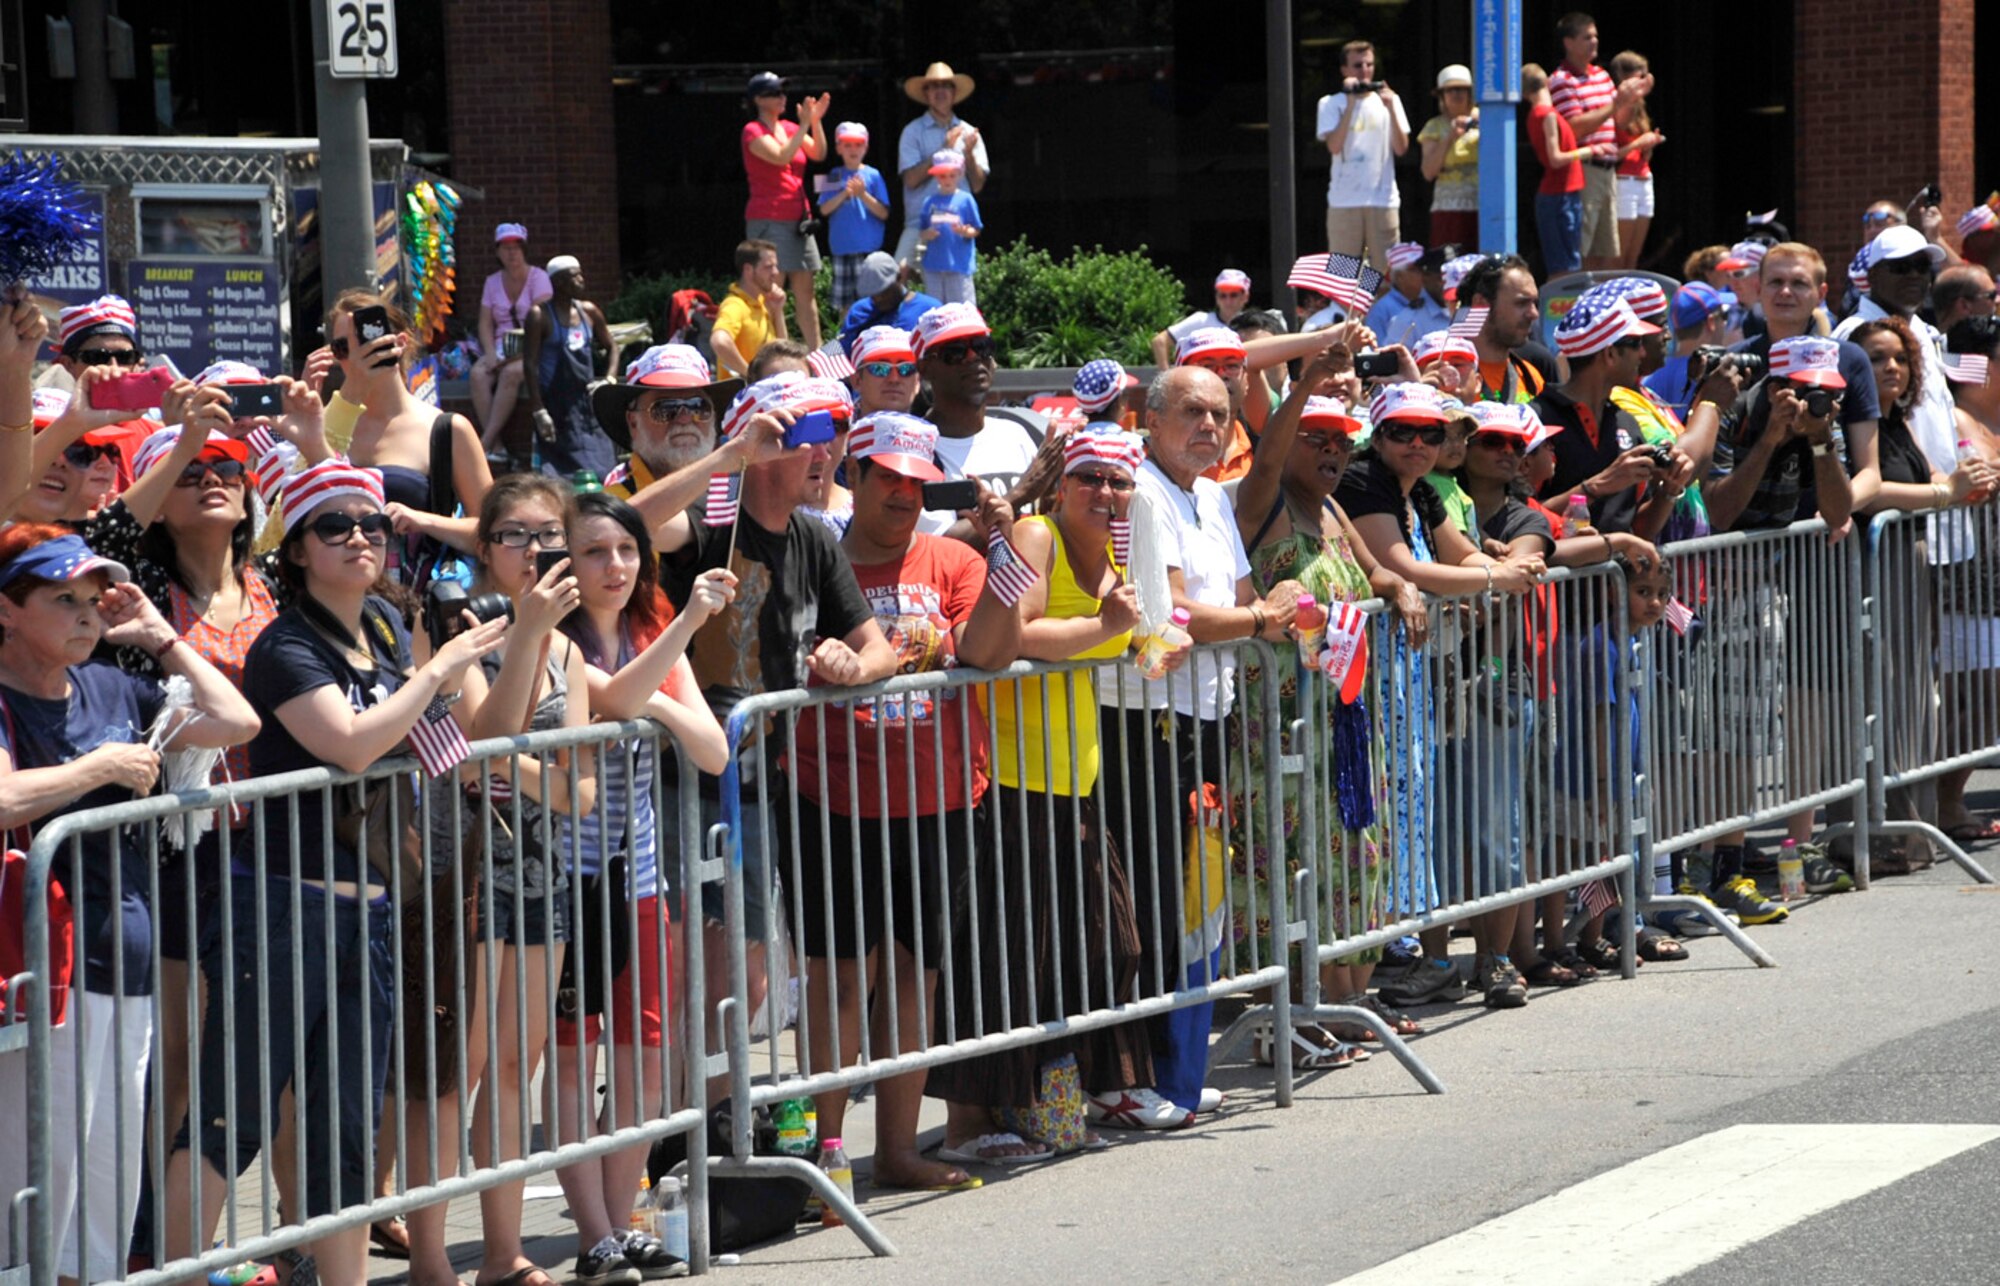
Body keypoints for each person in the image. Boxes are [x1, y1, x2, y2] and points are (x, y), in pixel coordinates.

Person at [163, 460, 506, 1286]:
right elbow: (349, 743)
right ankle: (170, 1273)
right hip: (281, 905)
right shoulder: (284, 646)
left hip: (373, 907)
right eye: (334, 525)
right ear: (296, 550)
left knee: (347, 1125)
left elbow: (442, 744)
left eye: (372, 524)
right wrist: (436, 671)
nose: (359, 536)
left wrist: (488, 655)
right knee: (231, 1116)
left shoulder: (385, 629)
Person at [0, 523, 258, 1286]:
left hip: (129, 957)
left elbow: (237, 722)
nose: (85, 614)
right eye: (61, 598)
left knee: (108, 1174)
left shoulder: (112, 683)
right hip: (45, 974)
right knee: (38, 1172)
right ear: (7, 611)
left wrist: (160, 639)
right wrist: (97, 768)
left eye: (91, 599)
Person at [642, 372, 899, 1116]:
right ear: (760, 448)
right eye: (804, 440)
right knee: (686, 981)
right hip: (675, 781)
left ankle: (709, 1136)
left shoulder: (816, 537)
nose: (825, 456)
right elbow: (615, 529)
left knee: (744, 980)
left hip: (757, 790)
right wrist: (723, 460)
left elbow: (877, 648)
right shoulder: (705, 522)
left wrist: (855, 666)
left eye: (835, 438)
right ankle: (667, 1139)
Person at [788, 411, 1022, 1185]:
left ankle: (892, 1151)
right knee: (839, 984)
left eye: (917, 481)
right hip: (831, 799)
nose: (903, 493)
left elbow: (987, 652)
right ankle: (826, 1158)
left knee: (913, 982)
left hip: (939, 797)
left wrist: (1007, 555)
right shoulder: (816, 557)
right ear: (853, 474)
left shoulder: (953, 559)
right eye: (887, 476)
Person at [928, 425, 1169, 1157]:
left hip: (1074, 780)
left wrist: (1146, 639)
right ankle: (971, 1125)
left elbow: (1120, 636)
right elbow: (1018, 635)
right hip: (1009, 780)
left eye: (1119, 482)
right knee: (1003, 961)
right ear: (1061, 486)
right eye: (1090, 478)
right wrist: (1106, 625)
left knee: (1108, 944)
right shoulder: (1038, 536)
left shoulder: (1115, 557)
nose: (1105, 493)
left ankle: (1069, 1096)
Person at [394, 475, 595, 1286]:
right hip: (461, 876)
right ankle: (433, 1255)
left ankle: (504, 1251)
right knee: (456, 1071)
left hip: (539, 871)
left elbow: (578, 786)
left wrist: (530, 769)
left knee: (517, 1069)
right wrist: (524, 640)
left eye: (549, 535)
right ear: (485, 549)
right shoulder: (454, 629)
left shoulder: (571, 647)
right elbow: (483, 740)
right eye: (514, 535)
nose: (534, 550)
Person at [1094, 369, 1300, 1118]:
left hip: (1206, 714)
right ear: (1151, 420)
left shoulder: (1213, 493)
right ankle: (1132, 1080)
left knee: (1197, 896)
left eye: (1219, 413)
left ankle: (1175, 1071)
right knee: (1151, 897)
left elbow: (1241, 601)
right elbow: (1175, 611)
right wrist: (1259, 623)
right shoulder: (1140, 489)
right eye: (1191, 412)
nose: (1209, 425)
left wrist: (1261, 616)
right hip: (1147, 719)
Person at [552, 491, 732, 1286]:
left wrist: (661, 677)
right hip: (561, 876)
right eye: (595, 552)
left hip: (643, 874)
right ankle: (593, 1235)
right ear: (568, 562)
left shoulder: (652, 634)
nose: (614, 567)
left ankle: (618, 1229)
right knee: (568, 1063)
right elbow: (612, 699)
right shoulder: (551, 638)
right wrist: (683, 638)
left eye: (626, 551)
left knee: (643, 1070)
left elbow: (713, 751)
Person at [1230, 348, 1427, 1060]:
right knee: (1283, 866)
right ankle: (1286, 1012)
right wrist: (1308, 383)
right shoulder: (1263, 503)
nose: (1332, 453)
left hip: (1344, 723)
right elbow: (1262, 461)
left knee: (1352, 858)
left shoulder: (1335, 507)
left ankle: (1345, 1001)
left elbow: (1375, 570)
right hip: (1277, 730)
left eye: (1343, 443)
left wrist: (1399, 589)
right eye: (1316, 439)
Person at [1334, 382, 1543, 1008]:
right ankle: (1388, 954)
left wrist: (1495, 560)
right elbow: (1410, 568)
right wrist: (1495, 574)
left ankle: (1401, 948)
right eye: (1403, 432)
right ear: (1377, 435)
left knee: (1414, 802)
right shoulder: (1364, 482)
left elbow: (1460, 554)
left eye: (1431, 433)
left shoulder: (1419, 490)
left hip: (1414, 680)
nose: (1419, 444)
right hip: (1371, 679)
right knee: (1384, 806)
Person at [328, 290, 493, 586]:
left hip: (416, 605)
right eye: (342, 348)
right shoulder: (330, 424)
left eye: (364, 342)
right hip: (338, 599)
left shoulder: (446, 429)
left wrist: (422, 520)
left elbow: (493, 531)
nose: (355, 356)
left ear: (399, 343)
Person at [1533, 296, 1689, 543]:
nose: (1643, 353)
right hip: (1560, 580)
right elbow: (1519, 517)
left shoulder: (1626, 421)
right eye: (1636, 343)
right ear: (1610, 354)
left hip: (1618, 579)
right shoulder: (1537, 422)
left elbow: (1639, 528)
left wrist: (1669, 488)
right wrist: (1598, 486)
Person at [912, 304, 1065, 537]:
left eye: (982, 347)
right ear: (924, 368)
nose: (973, 358)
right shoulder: (916, 449)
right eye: (955, 351)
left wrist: (1055, 493)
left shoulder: (1016, 434)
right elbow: (939, 545)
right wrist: (1023, 491)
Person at [1834, 224, 1956, 473]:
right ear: (1872, 276)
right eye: (1900, 267)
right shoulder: (1853, 334)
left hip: (1940, 493)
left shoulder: (1923, 329)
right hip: (1894, 489)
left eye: (1922, 266)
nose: (1914, 275)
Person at [1549, 12, 1645, 271]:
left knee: (1605, 250)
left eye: (1595, 37)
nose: (1594, 42)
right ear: (1568, 43)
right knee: (1582, 247)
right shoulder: (1561, 80)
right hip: (1584, 171)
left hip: (1608, 171)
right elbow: (1572, 128)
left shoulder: (1601, 75)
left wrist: (1632, 99)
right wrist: (1615, 104)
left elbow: (1617, 123)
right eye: (1587, 37)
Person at [740, 71, 828, 351]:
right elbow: (781, 157)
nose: (782, 98)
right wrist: (803, 125)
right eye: (775, 93)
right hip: (770, 218)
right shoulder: (752, 131)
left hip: (799, 218)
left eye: (783, 92)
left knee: (806, 291)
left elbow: (819, 154)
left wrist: (814, 122)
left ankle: (817, 357)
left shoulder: (791, 127)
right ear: (758, 99)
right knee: (771, 290)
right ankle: (776, 355)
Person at [595, 344, 744, 504]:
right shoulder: (615, 504)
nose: (684, 419)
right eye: (666, 408)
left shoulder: (736, 492)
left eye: (698, 406)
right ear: (633, 423)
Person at [1316, 40, 1410, 275]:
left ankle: (1381, 313)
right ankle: (1346, 313)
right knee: (1342, 273)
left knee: (1385, 274)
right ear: (1344, 70)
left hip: (1382, 199)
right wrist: (1350, 104)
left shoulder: (1389, 100)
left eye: (1369, 65)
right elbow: (1335, 146)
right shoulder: (1330, 103)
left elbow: (1401, 148)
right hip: (1344, 200)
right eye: (1358, 65)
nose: (1365, 70)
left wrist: (1390, 108)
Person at [522, 254, 619, 480]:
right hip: (556, 407)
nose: (581, 280)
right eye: (574, 276)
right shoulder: (540, 316)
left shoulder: (589, 312)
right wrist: (538, 411)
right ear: (558, 282)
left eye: (580, 274)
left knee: (602, 469)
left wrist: (609, 379)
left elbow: (612, 346)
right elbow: (530, 364)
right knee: (560, 475)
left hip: (587, 404)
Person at [48, 295, 154, 480]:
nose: (113, 368)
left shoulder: (156, 437)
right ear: (68, 364)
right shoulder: (47, 433)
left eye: (124, 357)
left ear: (137, 363)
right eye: (97, 357)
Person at [895, 62, 989, 270]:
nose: (940, 91)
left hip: (957, 226)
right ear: (926, 93)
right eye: (934, 86)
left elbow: (978, 184)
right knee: (897, 278)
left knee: (957, 293)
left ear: (954, 93)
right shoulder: (912, 132)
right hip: (919, 225)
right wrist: (942, 149)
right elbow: (910, 180)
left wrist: (968, 155)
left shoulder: (969, 132)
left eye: (946, 86)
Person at [471, 224, 553, 452]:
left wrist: (508, 359)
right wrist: (489, 353)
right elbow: (485, 322)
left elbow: (544, 322)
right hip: (501, 346)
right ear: (498, 252)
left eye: (516, 247)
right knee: (478, 374)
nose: (511, 253)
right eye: (506, 248)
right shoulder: (492, 282)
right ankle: (496, 447)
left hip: (534, 347)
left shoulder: (540, 278)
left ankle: (484, 442)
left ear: (524, 249)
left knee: (511, 373)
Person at [1522, 64, 1590, 278]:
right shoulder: (1547, 114)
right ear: (1548, 82)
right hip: (1560, 194)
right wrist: (1588, 151)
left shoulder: (1535, 114)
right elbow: (1555, 159)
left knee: (1564, 263)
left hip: (1559, 193)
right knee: (1565, 266)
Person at [820, 121, 893, 319]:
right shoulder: (832, 175)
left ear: (866, 147)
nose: (853, 149)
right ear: (838, 147)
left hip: (869, 251)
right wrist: (844, 193)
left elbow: (884, 213)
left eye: (858, 144)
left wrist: (862, 195)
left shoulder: (874, 175)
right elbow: (824, 209)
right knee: (845, 305)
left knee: (873, 302)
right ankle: (847, 342)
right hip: (842, 249)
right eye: (847, 144)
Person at [1461, 255, 1548, 404]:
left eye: (1535, 303)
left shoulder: (1532, 379)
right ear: (1481, 304)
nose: (1534, 314)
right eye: (1522, 303)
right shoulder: (1449, 377)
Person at [1643, 282, 1734, 416]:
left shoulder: (1650, 377)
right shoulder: (1716, 375)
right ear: (1711, 322)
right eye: (1724, 316)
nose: (1725, 323)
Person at [1608, 50, 1663, 269]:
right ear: (1624, 76)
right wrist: (1640, 142)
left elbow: (1638, 152)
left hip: (1643, 178)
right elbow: (1613, 153)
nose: (1645, 83)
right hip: (1624, 181)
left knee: (1634, 256)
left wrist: (1648, 146)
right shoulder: (1616, 105)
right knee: (1618, 256)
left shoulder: (1640, 107)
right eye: (1640, 77)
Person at [1417, 65, 1479, 248]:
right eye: (1451, 90)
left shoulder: (1487, 119)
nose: (1457, 94)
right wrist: (1449, 138)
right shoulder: (1433, 127)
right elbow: (1428, 172)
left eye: (1462, 89)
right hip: (1448, 209)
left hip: (1483, 206)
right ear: (1442, 96)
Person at [712, 239, 791, 380]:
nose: (776, 272)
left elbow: (782, 352)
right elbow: (719, 342)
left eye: (776, 266)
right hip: (742, 397)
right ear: (748, 270)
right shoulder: (735, 305)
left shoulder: (762, 302)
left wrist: (778, 311)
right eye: (768, 267)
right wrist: (750, 376)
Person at [835, 252, 943, 352]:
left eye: (883, 292)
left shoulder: (930, 310)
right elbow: (841, 355)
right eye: (873, 294)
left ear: (899, 277)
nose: (878, 299)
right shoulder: (859, 312)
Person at [917, 150, 983, 306]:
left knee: (961, 310)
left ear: (960, 174)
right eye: (942, 175)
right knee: (935, 310)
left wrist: (965, 232)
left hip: (958, 264)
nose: (947, 180)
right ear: (936, 176)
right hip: (933, 264)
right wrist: (928, 234)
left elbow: (976, 229)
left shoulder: (966, 199)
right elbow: (922, 231)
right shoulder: (929, 201)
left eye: (952, 175)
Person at [1153, 269, 1255, 368]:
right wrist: (1166, 376)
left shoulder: (1253, 324)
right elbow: (1159, 341)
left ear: (1245, 297)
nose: (1227, 301)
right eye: (1222, 295)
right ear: (1216, 297)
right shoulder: (1201, 320)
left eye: (1233, 295)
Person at [1366, 243, 1450, 352]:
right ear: (1399, 276)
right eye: (1414, 270)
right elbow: (1376, 352)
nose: (1421, 274)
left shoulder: (1438, 303)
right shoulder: (1382, 309)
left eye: (1423, 270)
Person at [850, 326, 920, 416]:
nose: (894, 379)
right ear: (857, 380)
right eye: (880, 368)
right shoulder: (835, 429)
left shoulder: (935, 429)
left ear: (917, 382)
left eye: (906, 368)